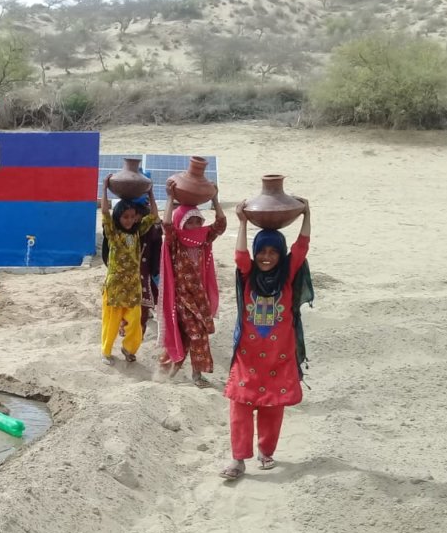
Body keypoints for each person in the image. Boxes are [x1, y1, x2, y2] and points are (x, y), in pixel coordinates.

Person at [220, 200, 313, 481]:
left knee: (273, 407)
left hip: (279, 357)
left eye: (273, 252)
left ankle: (266, 451)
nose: (266, 257)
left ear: (281, 255)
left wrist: (306, 214)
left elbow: (301, 247)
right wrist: (242, 222)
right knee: (240, 405)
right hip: (247, 357)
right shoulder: (248, 275)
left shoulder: (287, 276)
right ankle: (238, 460)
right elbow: (240, 255)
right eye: (262, 251)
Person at [159, 182, 226, 387]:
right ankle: (196, 376)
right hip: (182, 298)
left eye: (198, 221)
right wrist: (170, 198)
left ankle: (167, 374)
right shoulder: (175, 241)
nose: (196, 226)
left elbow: (220, 225)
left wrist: (214, 198)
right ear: (181, 224)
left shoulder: (204, 239)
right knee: (197, 334)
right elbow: (166, 224)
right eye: (190, 222)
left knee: (187, 336)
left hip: (200, 297)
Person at [99, 174, 158, 365]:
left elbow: (154, 216)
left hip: (132, 286)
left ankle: (128, 348)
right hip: (115, 287)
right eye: (125, 217)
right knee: (111, 322)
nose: (129, 220)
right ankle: (106, 352)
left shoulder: (137, 233)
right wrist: (104, 189)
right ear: (118, 217)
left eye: (132, 217)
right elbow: (105, 213)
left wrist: (150, 193)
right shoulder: (113, 233)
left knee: (135, 320)